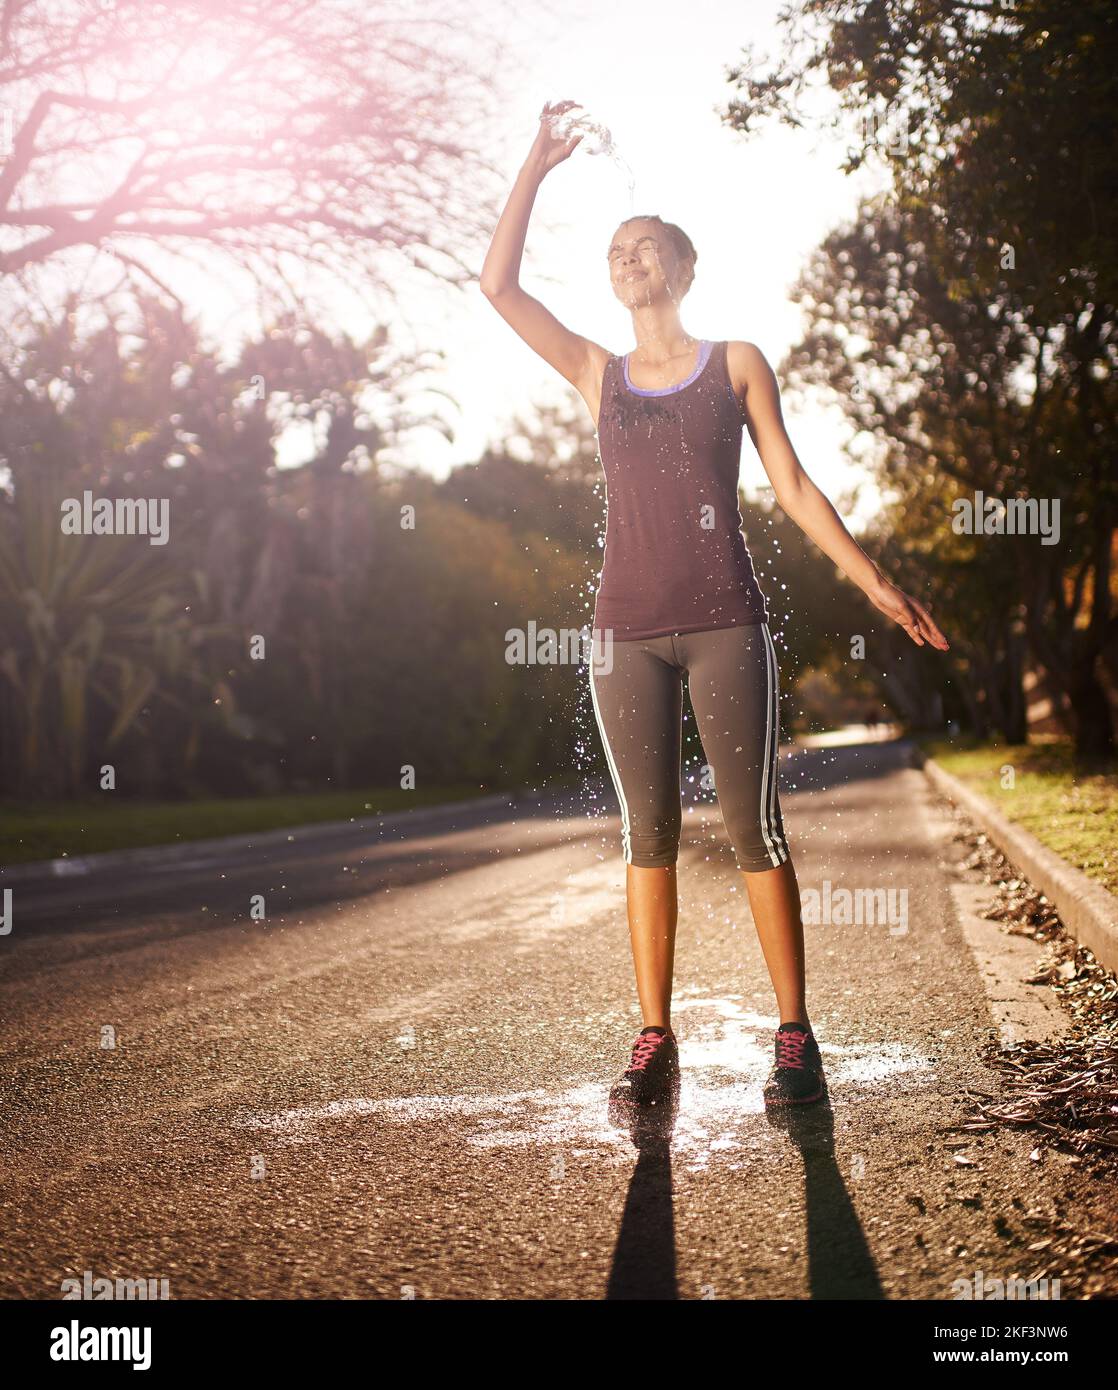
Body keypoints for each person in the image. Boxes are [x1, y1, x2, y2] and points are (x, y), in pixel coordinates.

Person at [480, 101, 950, 1111]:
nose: (627, 259)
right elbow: (497, 287)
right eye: (615, 251)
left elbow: (791, 485)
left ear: (683, 270)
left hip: (726, 622)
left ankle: (794, 1038)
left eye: (645, 247)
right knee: (642, 834)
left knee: (753, 829)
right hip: (624, 635)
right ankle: (654, 1038)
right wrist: (535, 162)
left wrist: (872, 581)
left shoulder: (734, 362)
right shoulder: (596, 375)